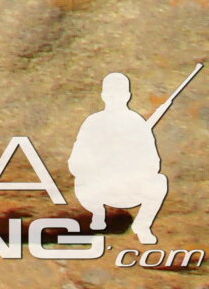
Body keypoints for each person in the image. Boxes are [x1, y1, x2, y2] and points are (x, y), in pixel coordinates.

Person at [69, 71, 173, 243]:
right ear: (103, 95)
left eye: (119, 93)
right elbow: (76, 161)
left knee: (159, 182)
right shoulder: (93, 122)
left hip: (128, 186)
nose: (115, 97)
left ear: (127, 95)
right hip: (99, 186)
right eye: (111, 93)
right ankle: (98, 213)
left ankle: (142, 226)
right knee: (83, 183)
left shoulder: (136, 123)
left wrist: (130, 161)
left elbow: (153, 163)